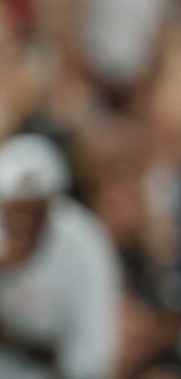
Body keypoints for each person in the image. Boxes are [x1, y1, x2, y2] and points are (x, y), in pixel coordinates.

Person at [0, 134, 122, 379]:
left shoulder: (84, 245)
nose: (22, 222)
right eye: (14, 209)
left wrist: (23, 344)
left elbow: (92, 357)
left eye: (34, 209)